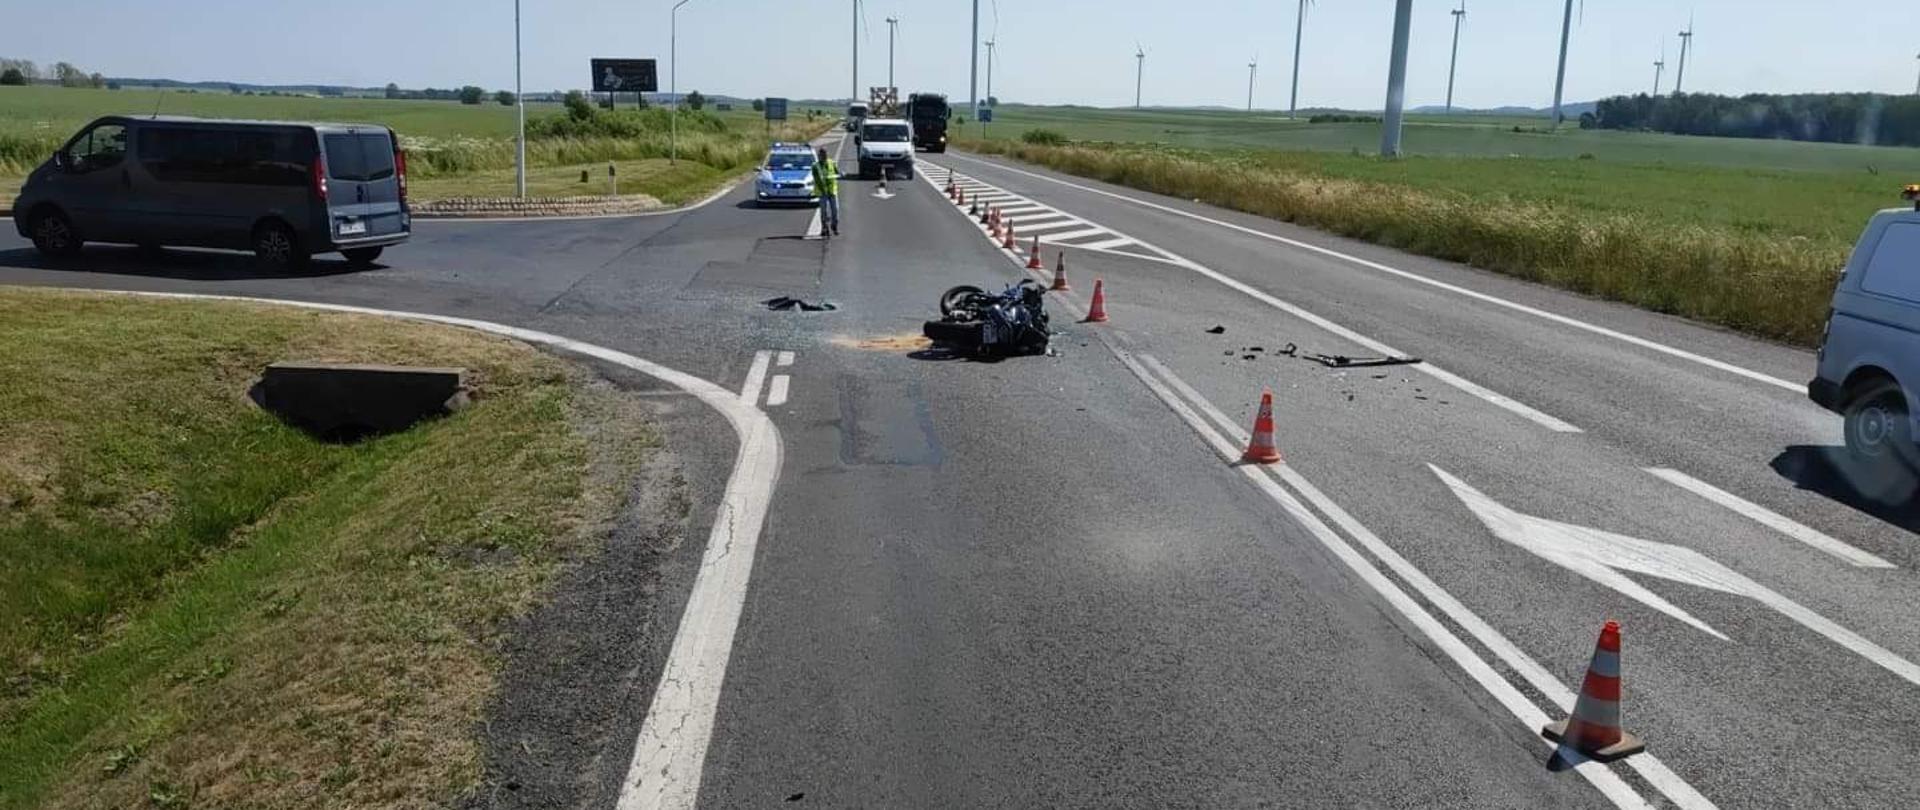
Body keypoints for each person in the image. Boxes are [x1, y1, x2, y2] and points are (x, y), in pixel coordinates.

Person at [812, 146, 841, 236]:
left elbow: (837, 173)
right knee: (824, 211)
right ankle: (824, 228)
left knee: (835, 210)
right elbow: (817, 179)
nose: (824, 156)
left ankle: (834, 226)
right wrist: (823, 190)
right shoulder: (815, 166)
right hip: (822, 192)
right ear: (819, 155)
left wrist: (841, 174)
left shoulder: (832, 163)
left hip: (832, 191)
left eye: (825, 154)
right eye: (822, 154)